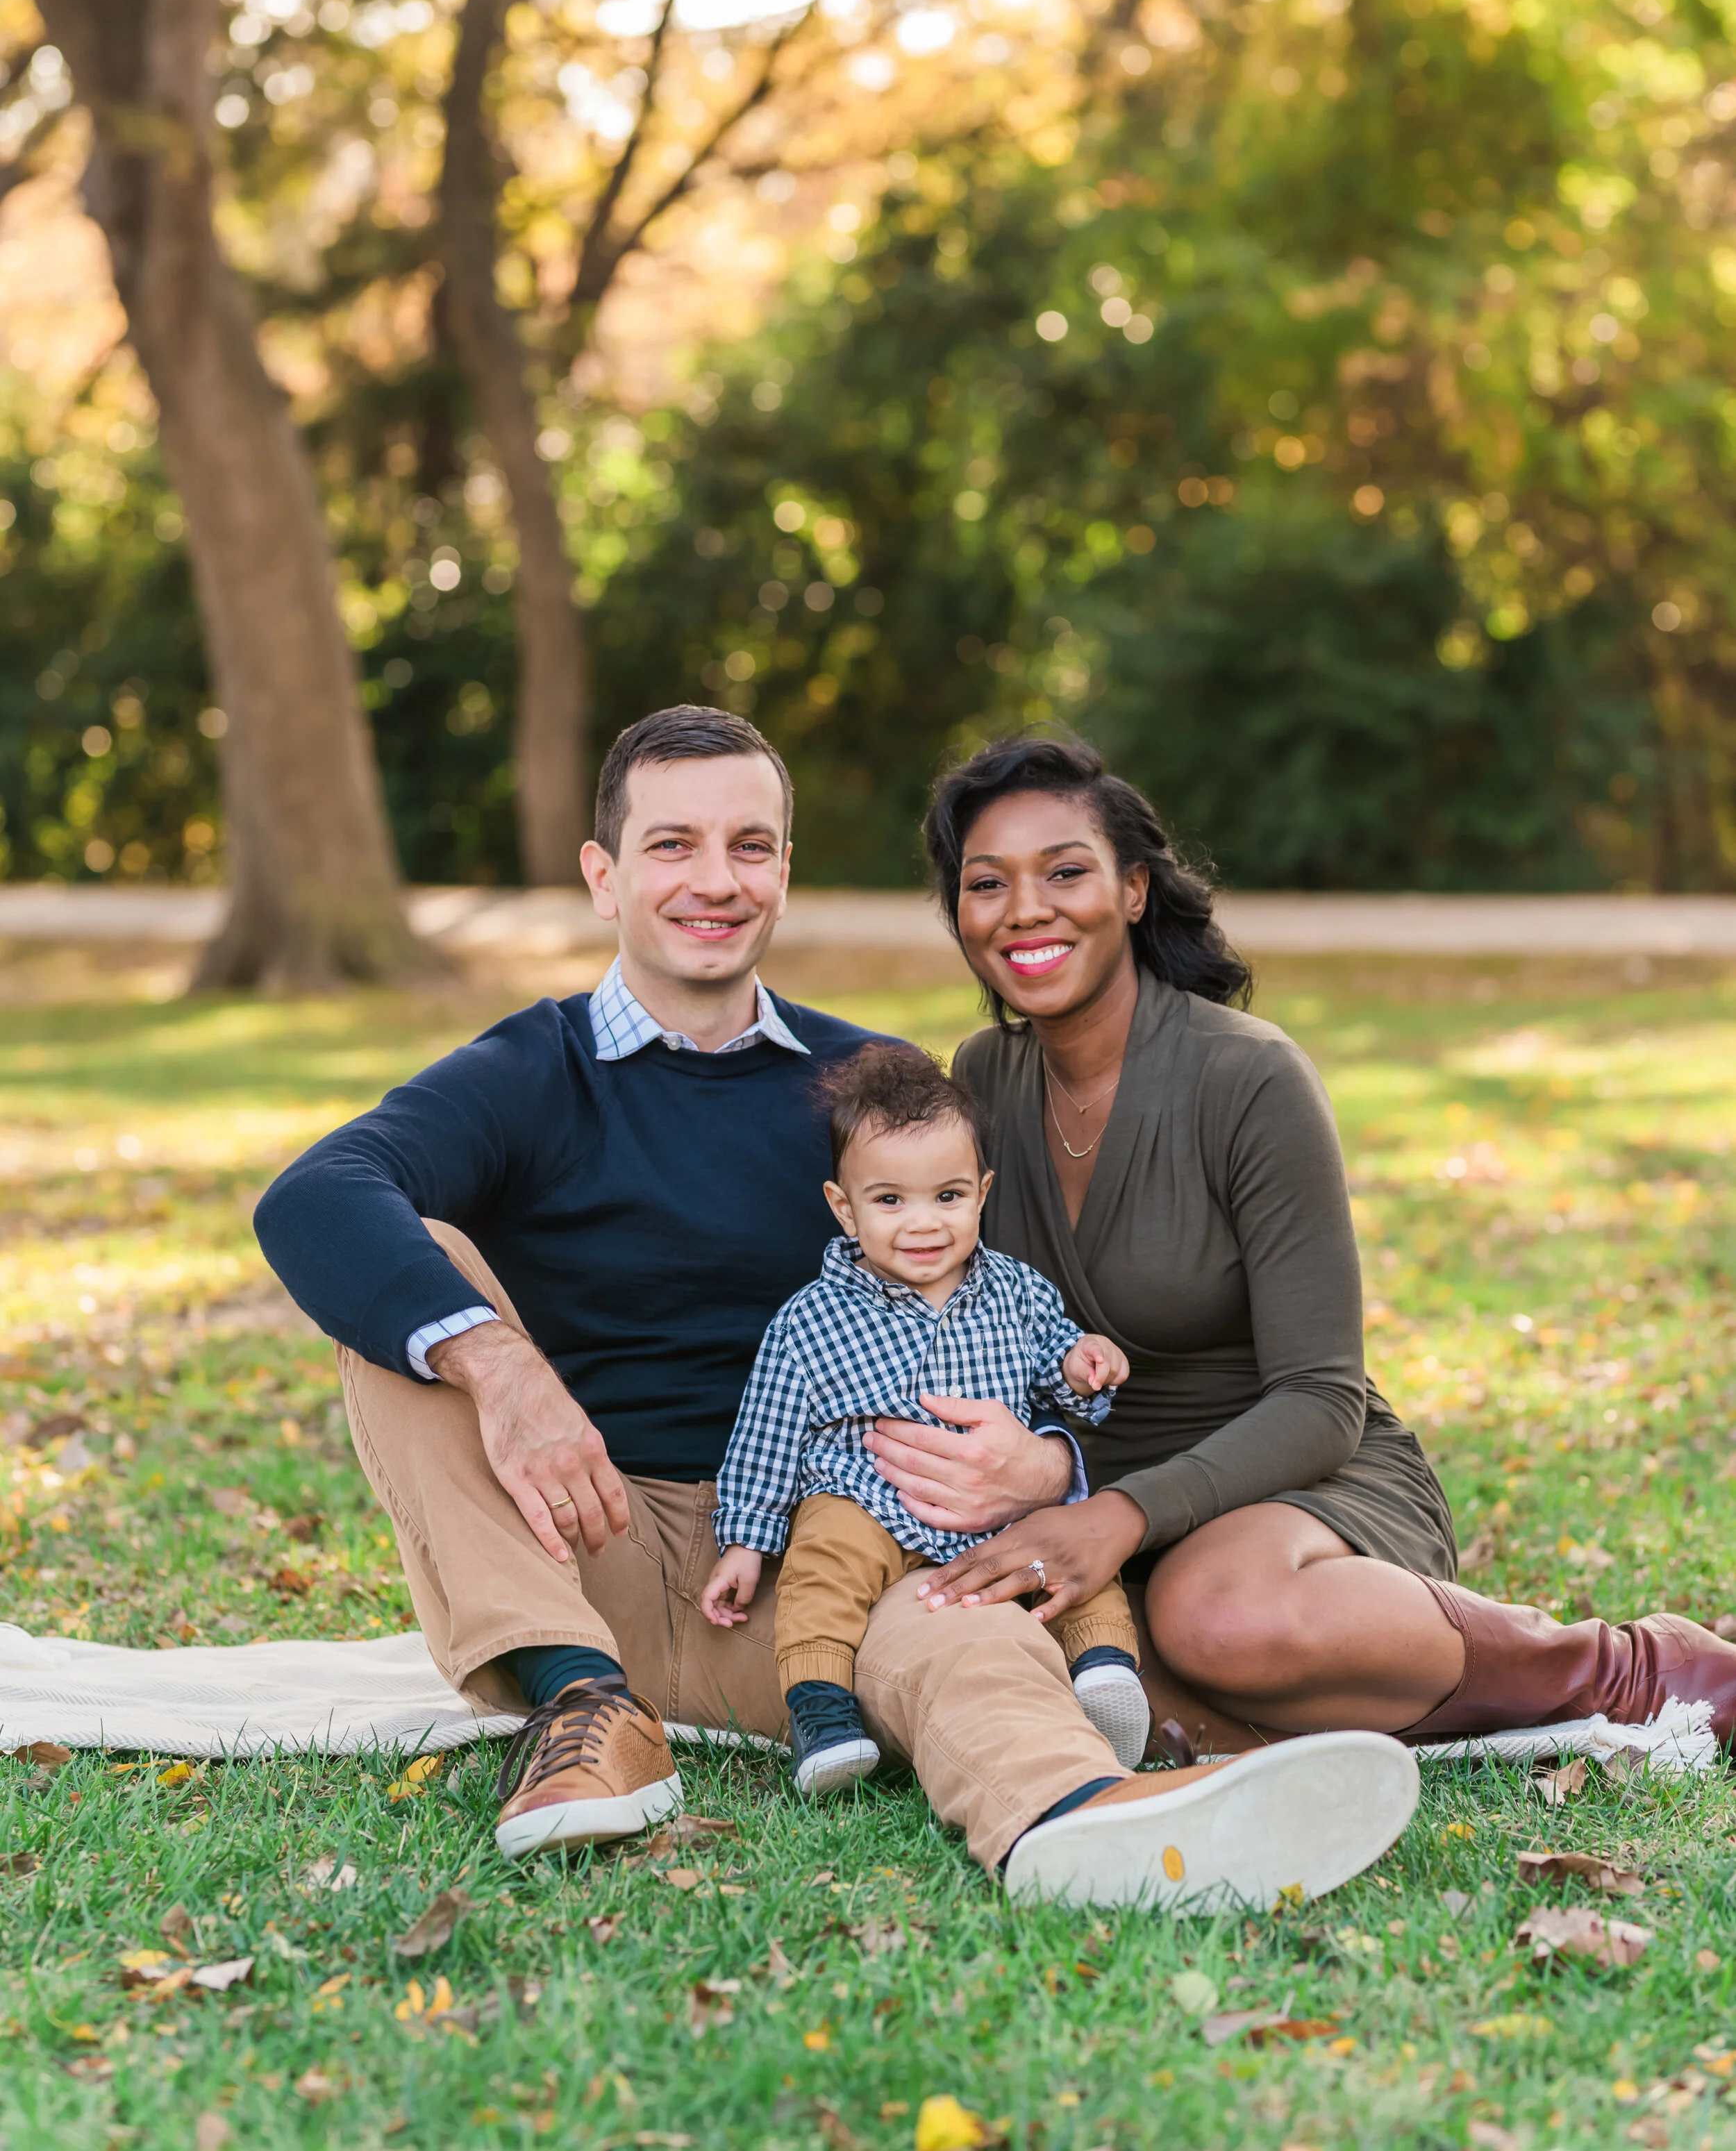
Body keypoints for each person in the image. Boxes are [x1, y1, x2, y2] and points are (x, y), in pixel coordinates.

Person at [255, 701, 1421, 1907]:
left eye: (750, 847)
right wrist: (502, 1370)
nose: (715, 881)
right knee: (403, 1284)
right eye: (673, 847)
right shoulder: (527, 1073)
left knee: (967, 1623)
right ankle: (582, 1703)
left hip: (821, 1556)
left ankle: (1078, 1820)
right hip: (577, 1536)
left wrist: (1046, 1464)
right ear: (604, 877)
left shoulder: (871, 1096)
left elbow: (1005, 1310)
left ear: (784, 874)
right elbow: (314, 1195)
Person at [903, 729, 1736, 1755]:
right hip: (1093, 1504)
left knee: (1217, 1619)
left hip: (1293, 1483)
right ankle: (1345, 1697)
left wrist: (1119, 1514)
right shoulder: (983, 1075)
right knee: (1024, 1666)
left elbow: (1322, 1398)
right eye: (987, 884)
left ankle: (1634, 1668)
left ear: (1132, 891)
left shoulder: (1248, 1077)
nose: (1026, 908)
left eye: (1065, 871)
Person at [699, 1041, 1147, 1796]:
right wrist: (746, 1541)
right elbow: (768, 1433)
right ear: (844, 1206)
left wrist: (1082, 1364)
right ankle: (822, 1709)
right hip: (865, 1500)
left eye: (947, 1196)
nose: (923, 1224)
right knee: (820, 1562)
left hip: (997, 1512)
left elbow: (1059, 1373)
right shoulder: (812, 1320)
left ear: (982, 1193)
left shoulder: (1015, 1291)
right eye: (889, 1200)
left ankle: (1105, 1671)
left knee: (1070, 1556)